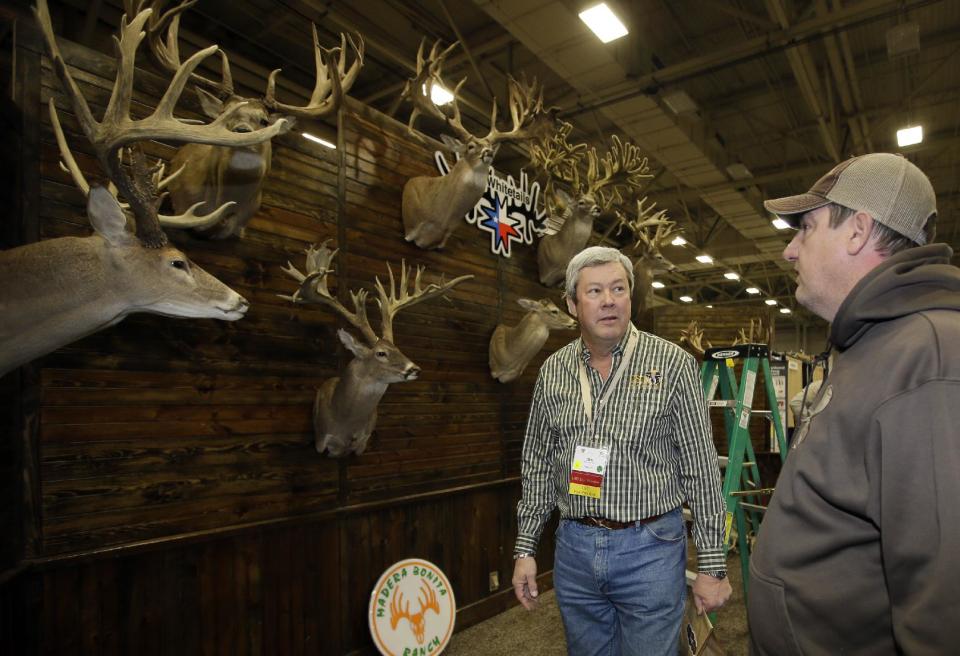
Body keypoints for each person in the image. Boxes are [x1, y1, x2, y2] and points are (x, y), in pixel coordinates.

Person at [749, 153, 960, 654]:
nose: (790, 251)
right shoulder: (872, 344)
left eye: (806, 228)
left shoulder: (927, 358)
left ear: (857, 231)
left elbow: (942, 605)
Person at [511, 246, 732, 656]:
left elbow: (701, 470)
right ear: (573, 305)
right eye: (594, 291)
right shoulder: (553, 371)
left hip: (650, 548)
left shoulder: (672, 365)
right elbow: (538, 464)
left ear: (631, 296)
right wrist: (526, 549)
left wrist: (713, 567)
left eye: (618, 288)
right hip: (574, 549)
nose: (609, 300)